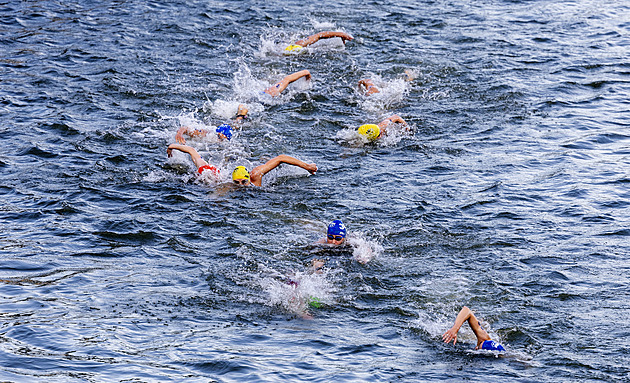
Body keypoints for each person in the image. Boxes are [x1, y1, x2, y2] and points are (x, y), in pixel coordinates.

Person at [167, 144, 317, 186]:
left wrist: (307, 167)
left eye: (243, 182)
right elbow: (194, 153)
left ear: (248, 179)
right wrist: (172, 146)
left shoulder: (255, 175)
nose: (240, 185)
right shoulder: (224, 183)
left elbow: (281, 158)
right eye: (237, 182)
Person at [175, 104, 249, 144]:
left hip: (220, 126)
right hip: (211, 127)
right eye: (219, 138)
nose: (220, 140)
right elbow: (185, 128)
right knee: (236, 125)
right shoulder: (206, 134)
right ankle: (241, 115)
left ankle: (241, 115)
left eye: (223, 140)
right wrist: (179, 134)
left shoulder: (224, 141)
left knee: (236, 126)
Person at [284, 31, 353, 53]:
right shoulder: (296, 45)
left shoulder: (295, 46)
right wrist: (340, 34)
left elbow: (319, 36)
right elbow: (319, 35)